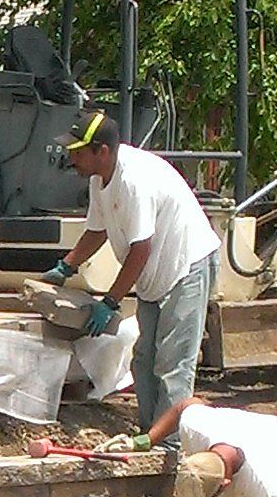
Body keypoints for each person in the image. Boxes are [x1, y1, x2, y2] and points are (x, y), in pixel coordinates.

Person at [48, 111, 220, 431]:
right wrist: (66, 266)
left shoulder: (133, 180)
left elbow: (141, 248)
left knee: (172, 366)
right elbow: (97, 230)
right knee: (143, 362)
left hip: (186, 267)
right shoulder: (100, 180)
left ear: (102, 151)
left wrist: (111, 301)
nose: (72, 159)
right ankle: (148, 434)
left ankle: (169, 445)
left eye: (78, 152)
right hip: (154, 276)